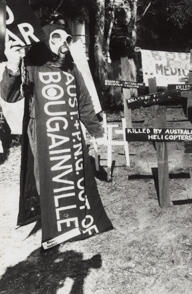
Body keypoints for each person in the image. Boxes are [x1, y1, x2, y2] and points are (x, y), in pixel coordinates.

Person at [1, 15, 113, 249]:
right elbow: (10, 95)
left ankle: (70, 218)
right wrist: (12, 66)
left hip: (69, 132)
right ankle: (51, 219)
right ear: (46, 38)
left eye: (66, 36)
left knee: (71, 174)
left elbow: (83, 100)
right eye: (57, 36)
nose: (63, 41)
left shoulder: (70, 66)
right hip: (42, 132)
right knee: (46, 174)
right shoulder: (31, 63)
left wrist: (96, 130)